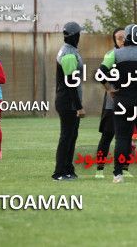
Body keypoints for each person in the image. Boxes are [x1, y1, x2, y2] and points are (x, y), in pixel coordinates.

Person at [95, 28, 137, 179]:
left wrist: (110, 89)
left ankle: (118, 174)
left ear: (126, 40)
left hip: (122, 100)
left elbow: (101, 72)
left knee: (122, 137)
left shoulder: (115, 54)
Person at [52, 22, 85, 181]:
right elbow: (71, 83)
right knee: (67, 136)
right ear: (75, 36)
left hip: (67, 100)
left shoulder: (69, 51)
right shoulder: (68, 54)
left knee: (72, 135)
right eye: (79, 34)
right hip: (68, 101)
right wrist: (78, 106)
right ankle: (59, 172)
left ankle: (68, 169)